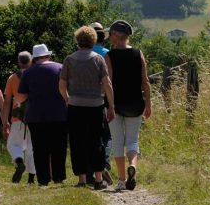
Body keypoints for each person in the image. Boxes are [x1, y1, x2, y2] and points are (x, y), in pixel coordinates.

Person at [59, 26, 115, 190]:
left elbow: (61, 85)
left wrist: (68, 98)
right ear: (93, 40)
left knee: (77, 142)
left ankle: (82, 179)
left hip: (75, 106)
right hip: (95, 106)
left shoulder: (69, 60)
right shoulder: (98, 59)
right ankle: (98, 179)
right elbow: (107, 84)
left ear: (78, 40)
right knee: (96, 141)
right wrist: (111, 105)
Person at [105, 20, 152, 191]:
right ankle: (133, 165)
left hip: (116, 104)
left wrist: (110, 106)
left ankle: (122, 181)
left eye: (110, 34)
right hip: (135, 104)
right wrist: (148, 104)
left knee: (118, 142)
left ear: (116, 37)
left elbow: (108, 83)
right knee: (132, 140)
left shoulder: (109, 56)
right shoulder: (138, 54)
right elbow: (145, 82)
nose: (109, 37)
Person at [17, 44, 67, 187]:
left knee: (40, 148)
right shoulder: (60, 68)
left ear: (34, 58)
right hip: (59, 114)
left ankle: (43, 179)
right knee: (59, 146)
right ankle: (59, 177)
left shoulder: (28, 72)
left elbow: (21, 97)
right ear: (48, 55)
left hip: (36, 115)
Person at [3, 51, 36, 184]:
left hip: (18, 117)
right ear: (31, 61)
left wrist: (5, 121)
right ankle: (31, 178)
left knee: (12, 145)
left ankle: (18, 161)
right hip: (34, 116)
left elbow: (7, 102)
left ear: (18, 62)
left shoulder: (12, 78)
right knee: (31, 148)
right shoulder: (35, 75)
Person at [90, 22, 113, 185]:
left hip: (85, 99)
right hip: (104, 98)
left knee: (89, 135)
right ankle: (104, 163)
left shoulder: (83, 53)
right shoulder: (108, 54)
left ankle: (91, 169)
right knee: (107, 135)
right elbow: (110, 79)